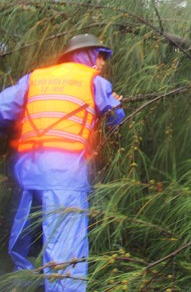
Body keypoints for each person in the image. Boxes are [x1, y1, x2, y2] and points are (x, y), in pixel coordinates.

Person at [0, 34, 124, 291]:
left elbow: (2, 108)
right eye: (101, 57)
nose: (102, 63)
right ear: (89, 56)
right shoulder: (94, 81)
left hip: (28, 171)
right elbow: (115, 118)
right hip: (64, 174)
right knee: (66, 249)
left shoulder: (34, 78)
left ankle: (19, 285)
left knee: (23, 238)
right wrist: (116, 106)